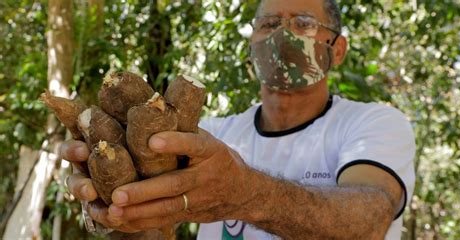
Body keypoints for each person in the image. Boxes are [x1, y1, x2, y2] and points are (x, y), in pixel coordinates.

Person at [61, 0, 416, 239]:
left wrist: (244, 194)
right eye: (269, 23)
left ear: (337, 49)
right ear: (252, 43)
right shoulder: (213, 135)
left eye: (303, 23)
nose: (282, 34)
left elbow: (372, 218)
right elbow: (150, 215)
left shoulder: (373, 124)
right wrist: (114, 200)